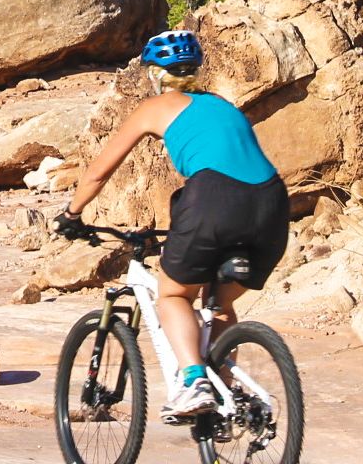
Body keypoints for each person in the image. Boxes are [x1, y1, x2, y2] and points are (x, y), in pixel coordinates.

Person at [53, 30, 289, 421]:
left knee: (174, 295)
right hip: (272, 203)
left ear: (154, 74)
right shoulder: (222, 105)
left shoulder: (155, 107)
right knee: (220, 304)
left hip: (214, 197)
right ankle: (227, 395)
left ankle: (194, 382)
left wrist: (72, 214)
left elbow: (98, 172)